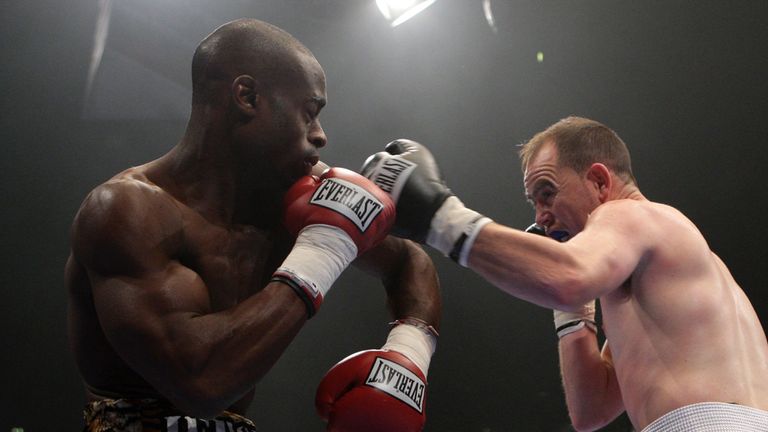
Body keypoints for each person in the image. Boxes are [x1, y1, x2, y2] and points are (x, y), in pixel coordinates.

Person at [65, 18, 441, 431]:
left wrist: (408, 356)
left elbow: (408, 261)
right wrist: (324, 249)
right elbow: (200, 383)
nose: (321, 136)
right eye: (309, 112)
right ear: (246, 96)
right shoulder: (127, 211)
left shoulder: (297, 196)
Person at [360, 116, 768, 431]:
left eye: (547, 193)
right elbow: (590, 411)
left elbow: (568, 276)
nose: (540, 217)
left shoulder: (629, 214)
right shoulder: (670, 282)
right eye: (533, 202)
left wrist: (439, 217)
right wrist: (572, 306)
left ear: (598, 181)